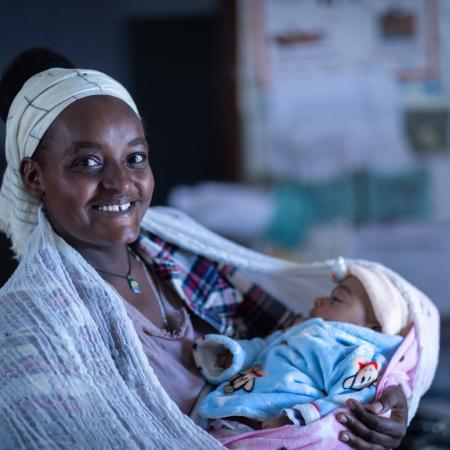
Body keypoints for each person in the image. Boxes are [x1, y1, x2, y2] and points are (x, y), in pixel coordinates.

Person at [0, 48, 438, 449]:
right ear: (34, 177)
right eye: (88, 162)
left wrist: (381, 395)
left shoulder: (180, 253)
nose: (120, 183)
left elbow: (310, 337)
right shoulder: (32, 325)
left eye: (134, 157)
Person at [193, 261, 409, 431]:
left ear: (371, 327)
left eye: (336, 298)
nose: (318, 300)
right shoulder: (300, 328)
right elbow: (262, 347)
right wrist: (235, 355)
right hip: (233, 406)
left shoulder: (356, 354)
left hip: (273, 421)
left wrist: (296, 418)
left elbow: (348, 401)